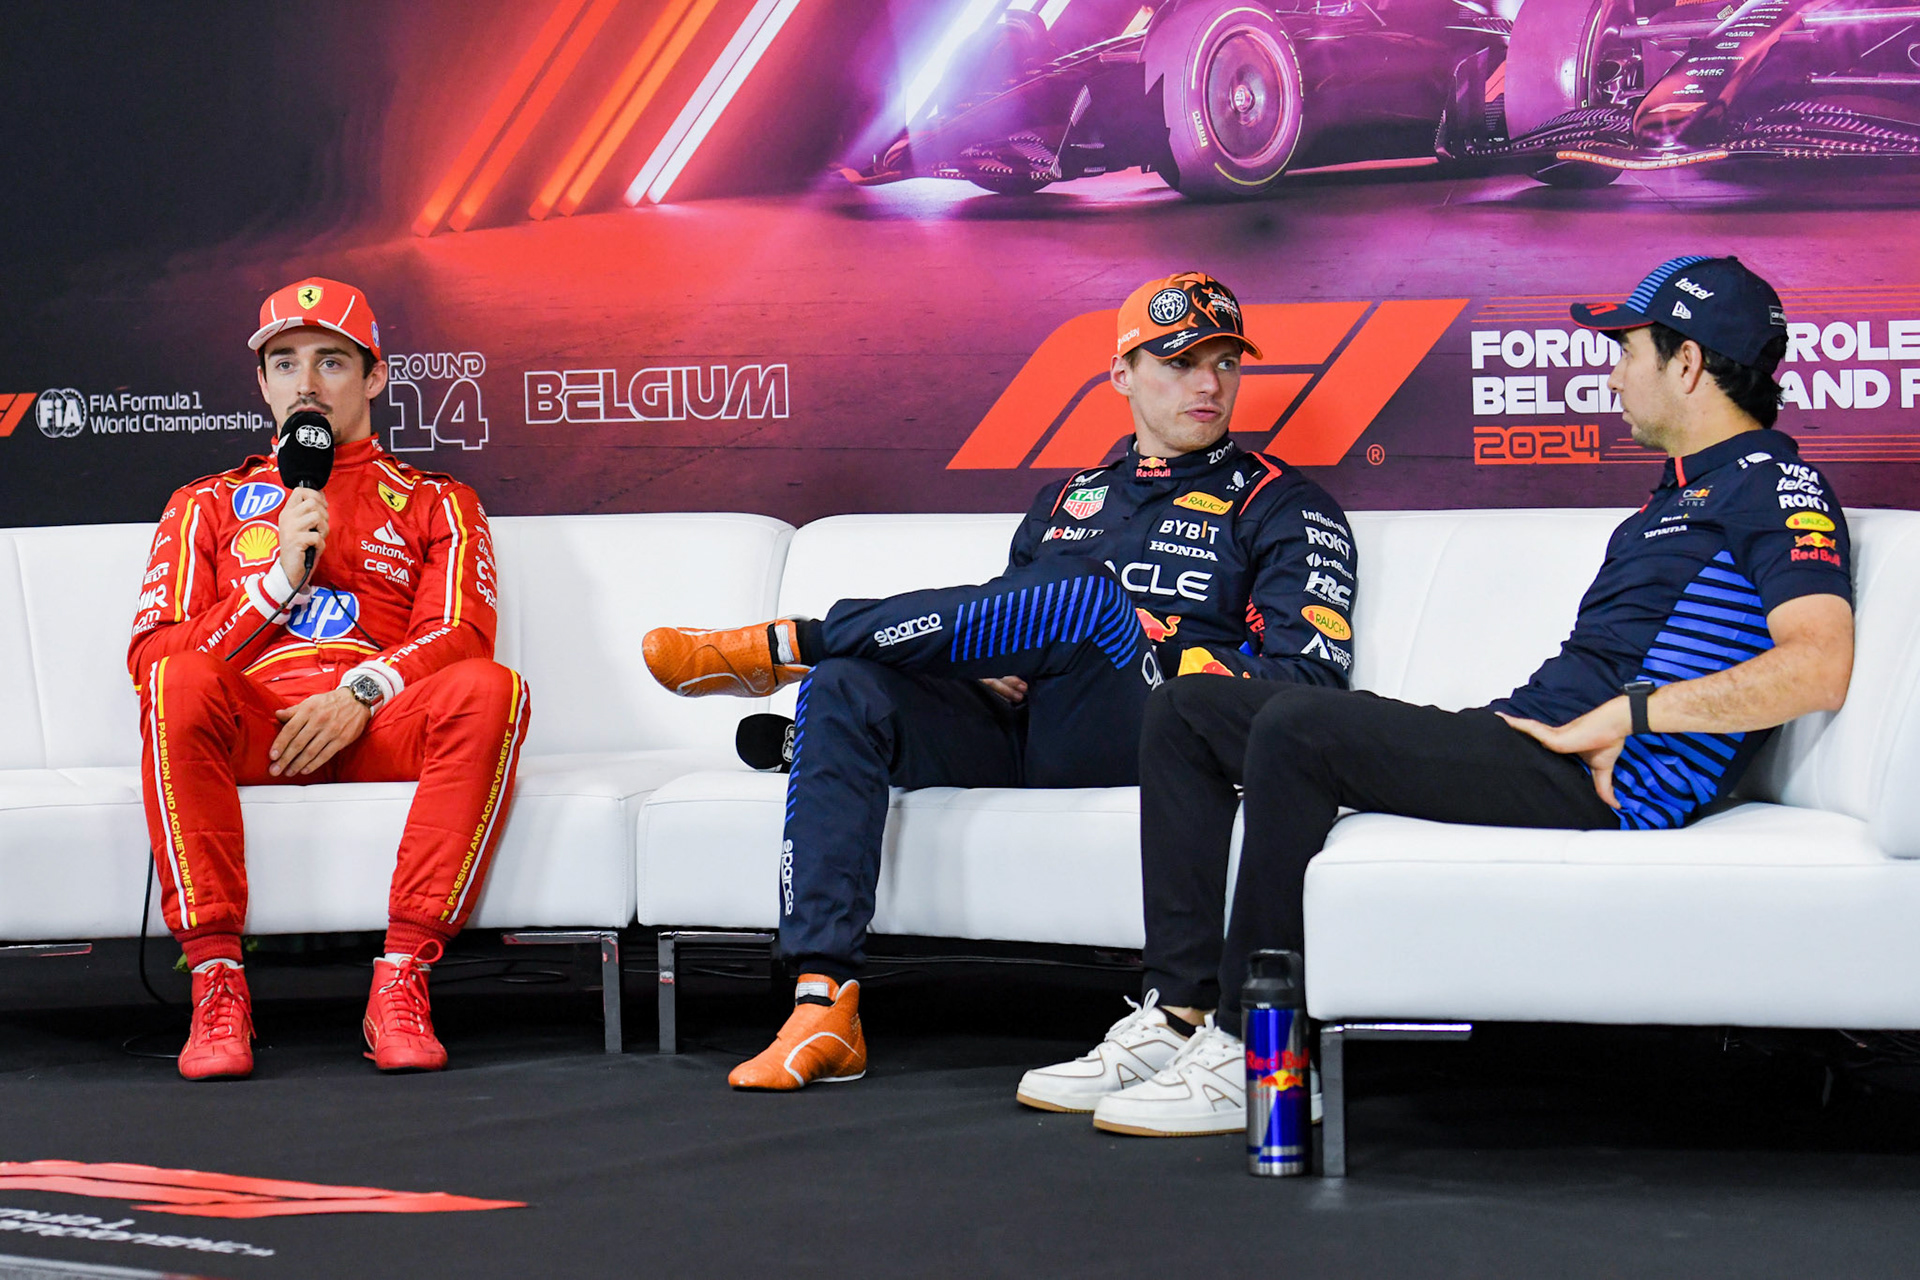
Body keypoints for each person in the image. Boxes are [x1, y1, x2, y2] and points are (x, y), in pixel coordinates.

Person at [1030, 255, 1856, 1138]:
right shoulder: (1683, 493)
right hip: (1537, 739)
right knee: (1189, 709)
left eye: (1628, 349)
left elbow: (1820, 665)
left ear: (1686, 365)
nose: (1614, 373)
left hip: (1596, 777)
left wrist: (1638, 714)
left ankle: (1260, 1050)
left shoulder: (1773, 484)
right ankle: (1180, 1012)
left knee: (1298, 726)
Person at [642, 272, 1360, 1090]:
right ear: (1121, 373)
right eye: (1180, 360)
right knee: (845, 686)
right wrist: (988, 669)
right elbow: (1006, 617)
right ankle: (822, 1002)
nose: (1209, 383)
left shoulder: (1286, 506)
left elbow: (1308, 680)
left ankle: (787, 640)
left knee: (1095, 604)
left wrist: (1163, 655)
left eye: (1227, 362)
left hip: (1166, 735)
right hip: (1029, 731)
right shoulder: (1066, 498)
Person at [131, 278, 531, 1081]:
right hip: (257, 731)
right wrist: (274, 582)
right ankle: (216, 982)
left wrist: (363, 692)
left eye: (330, 362)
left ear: (375, 376)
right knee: (177, 681)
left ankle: (403, 979)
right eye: (284, 363)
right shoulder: (203, 504)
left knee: (493, 689)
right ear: (262, 382)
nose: (304, 383)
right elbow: (151, 661)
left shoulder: (436, 500)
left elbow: (461, 633)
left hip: (377, 723)